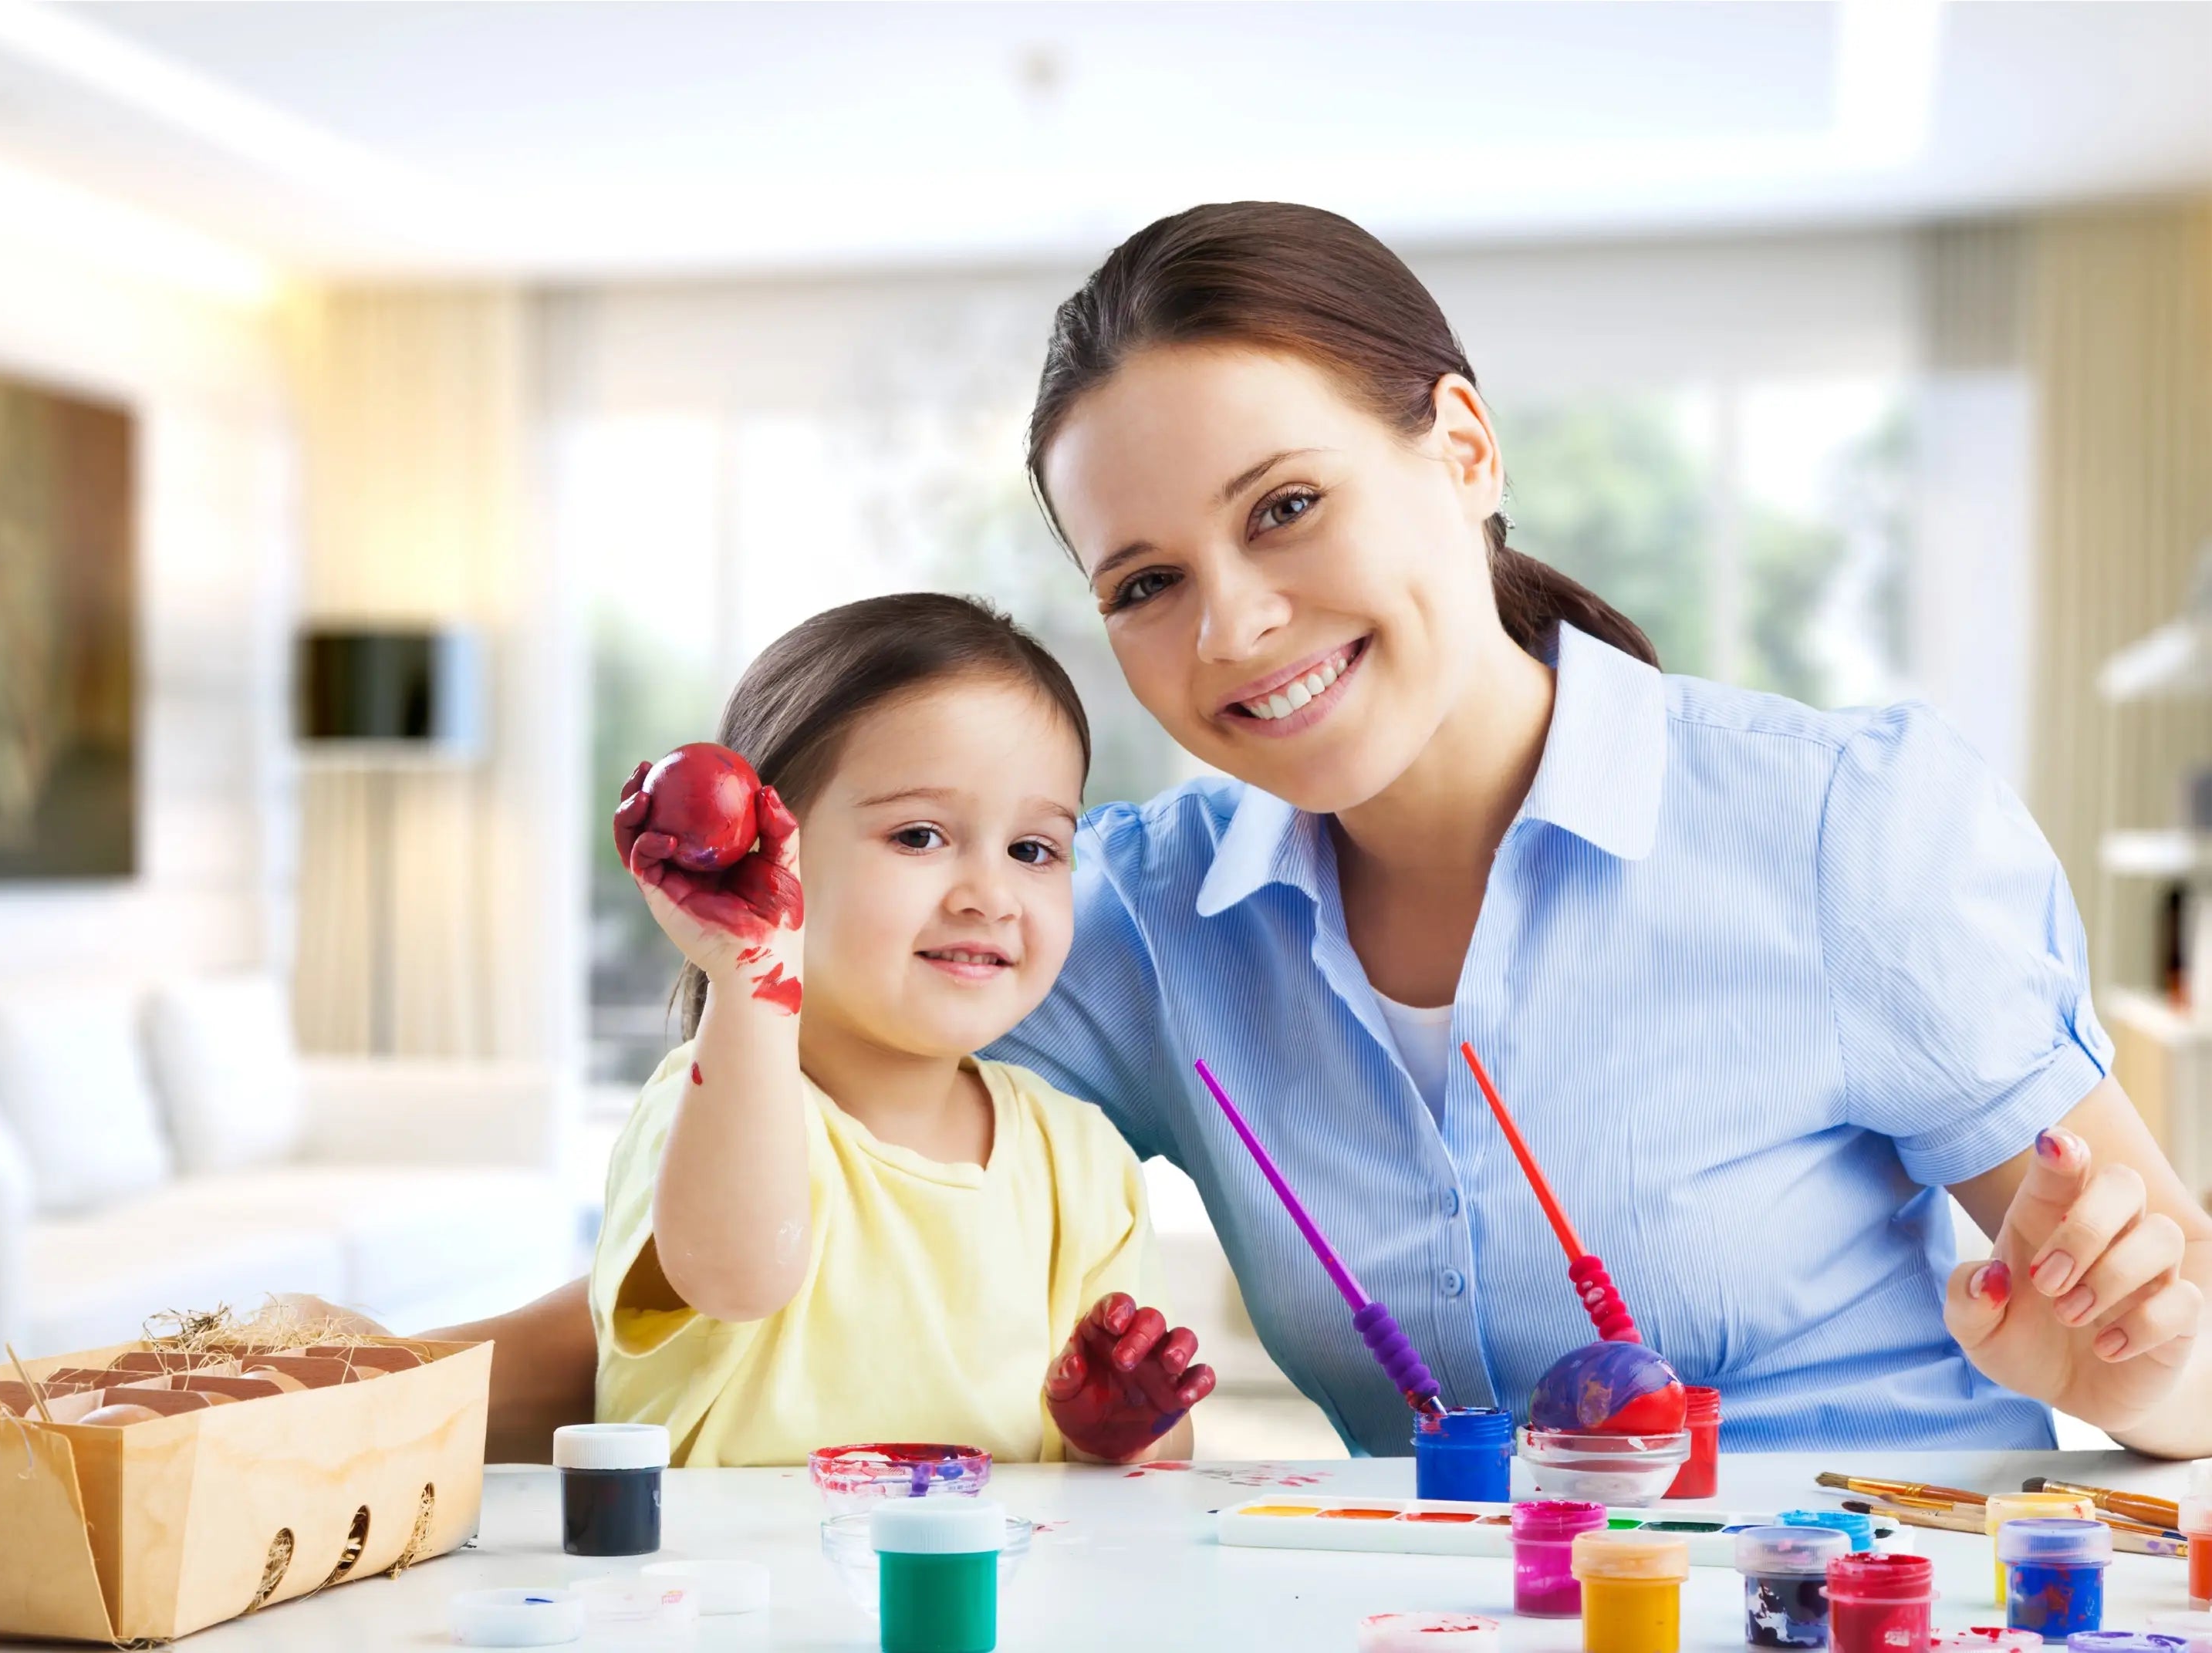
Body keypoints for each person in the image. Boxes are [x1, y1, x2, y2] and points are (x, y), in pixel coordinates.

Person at [985, 200, 2208, 1456]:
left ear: (1465, 451)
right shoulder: (1135, 921)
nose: (1230, 626)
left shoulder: (1844, 826)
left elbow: (2195, 1343)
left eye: (1285, 506)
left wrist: (2132, 1375)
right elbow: (826, 1050)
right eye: (1145, 583)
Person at [307, 594, 1214, 1466]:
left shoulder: (1081, 1157)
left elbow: (1156, 1462)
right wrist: (751, 978)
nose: (990, 893)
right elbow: (737, 1275)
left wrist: (1123, 1429)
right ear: (765, 855)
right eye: (920, 836)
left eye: (1033, 850)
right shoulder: (711, 1106)